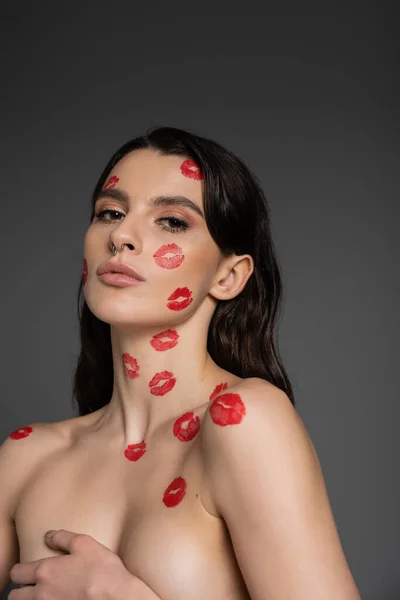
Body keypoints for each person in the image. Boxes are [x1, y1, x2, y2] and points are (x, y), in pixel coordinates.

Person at [0, 126, 361, 599]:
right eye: (110, 212)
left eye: (171, 221)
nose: (122, 236)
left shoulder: (244, 422)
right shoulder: (26, 458)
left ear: (229, 276)